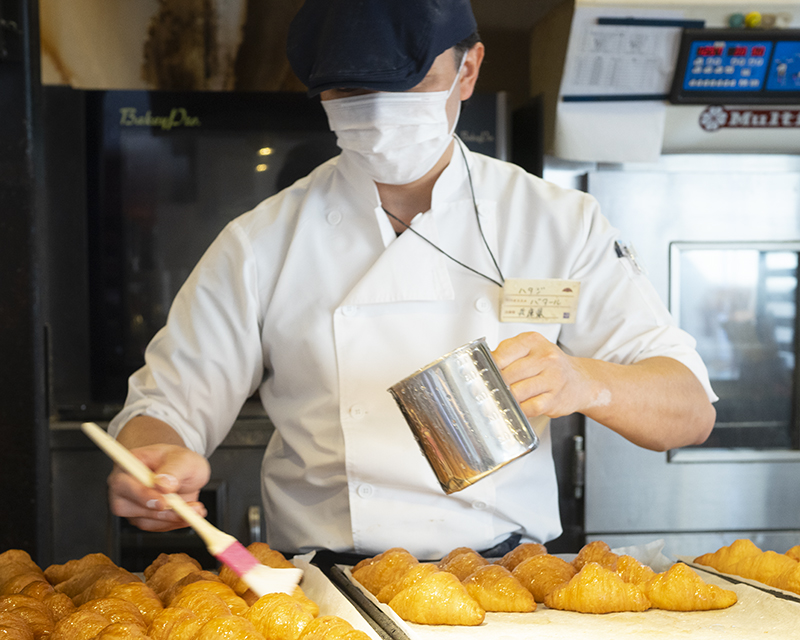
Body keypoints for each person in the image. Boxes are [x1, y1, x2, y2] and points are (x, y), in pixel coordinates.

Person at [106, 0, 717, 560]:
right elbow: (166, 407)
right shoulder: (261, 242)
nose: (379, 109)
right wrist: (153, 460)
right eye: (351, 90)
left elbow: (689, 409)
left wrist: (584, 381)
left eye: (408, 83)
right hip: (325, 588)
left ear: (467, 70)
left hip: (507, 580)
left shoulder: (558, 222)